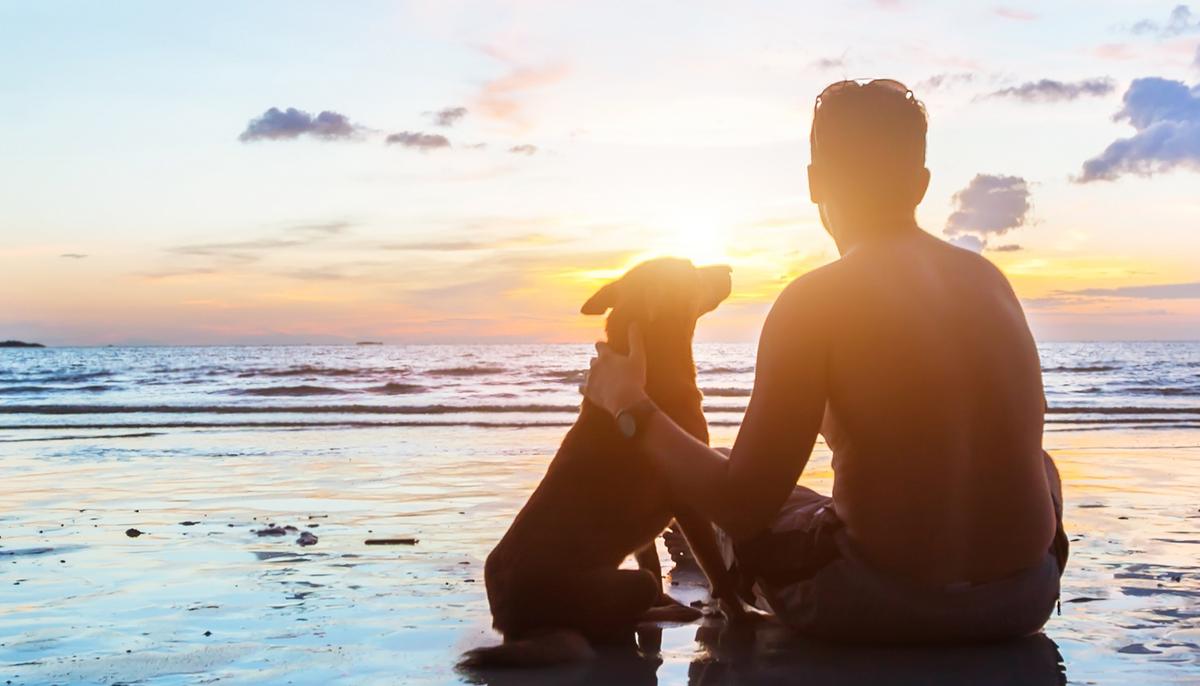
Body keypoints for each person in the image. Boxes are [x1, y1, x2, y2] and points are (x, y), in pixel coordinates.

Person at [582, 79, 1068, 642]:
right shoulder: (990, 282)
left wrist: (629, 404)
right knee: (1042, 464)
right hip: (1023, 597)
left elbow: (743, 506)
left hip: (873, 605)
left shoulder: (813, 301)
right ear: (921, 184)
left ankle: (714, 568)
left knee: (721, 489)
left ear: (816, 183)